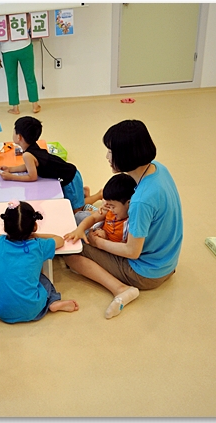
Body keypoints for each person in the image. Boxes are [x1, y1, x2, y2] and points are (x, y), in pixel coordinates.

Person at [63, 119, 183, 319]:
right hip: (167, 261)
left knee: (71, 251)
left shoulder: (141, 201)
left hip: (147, 273)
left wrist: (98, 243)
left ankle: (120, 288)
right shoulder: (158, 168)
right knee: (86, 220)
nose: (107, 156)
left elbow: (132, 251)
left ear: (126, 155)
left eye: (111, 151)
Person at [0, 116, 102, 223]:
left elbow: (32, 176)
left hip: (69, 179)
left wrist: (11, 177)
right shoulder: (31, 148)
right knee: (74, 204)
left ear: (19, 137)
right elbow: (29, 166)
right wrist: (10, 169)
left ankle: (99, 195)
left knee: (75, 211)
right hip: (70, 173)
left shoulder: (27, 155)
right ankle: (83, 191)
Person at [0, 200, 78, 323]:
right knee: (43, 279)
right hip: (33, 309)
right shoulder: (39, 245)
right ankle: (53, 301)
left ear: (5, 226)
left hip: (2, 312)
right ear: (35, 226)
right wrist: (36, 235)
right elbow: (59, 240)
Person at [0, 19, 41, 115]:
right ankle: (35, 105)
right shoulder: (22, 12)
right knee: (30, 77)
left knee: (11, 80)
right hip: (25, 46)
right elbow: (29, 24)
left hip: (7, 50)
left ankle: (15, 108)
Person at [77, 173, 137, 243]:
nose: (110, 209)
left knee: (82, 244)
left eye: (113, 206)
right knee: (78, 215)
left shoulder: (131, 224)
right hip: (97, 230)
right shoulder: (110, 209)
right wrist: (80, 229)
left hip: (104, 244)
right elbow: (94, 218)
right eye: (109, 205)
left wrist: (105, 238)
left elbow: (123, 246)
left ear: (129, 204)